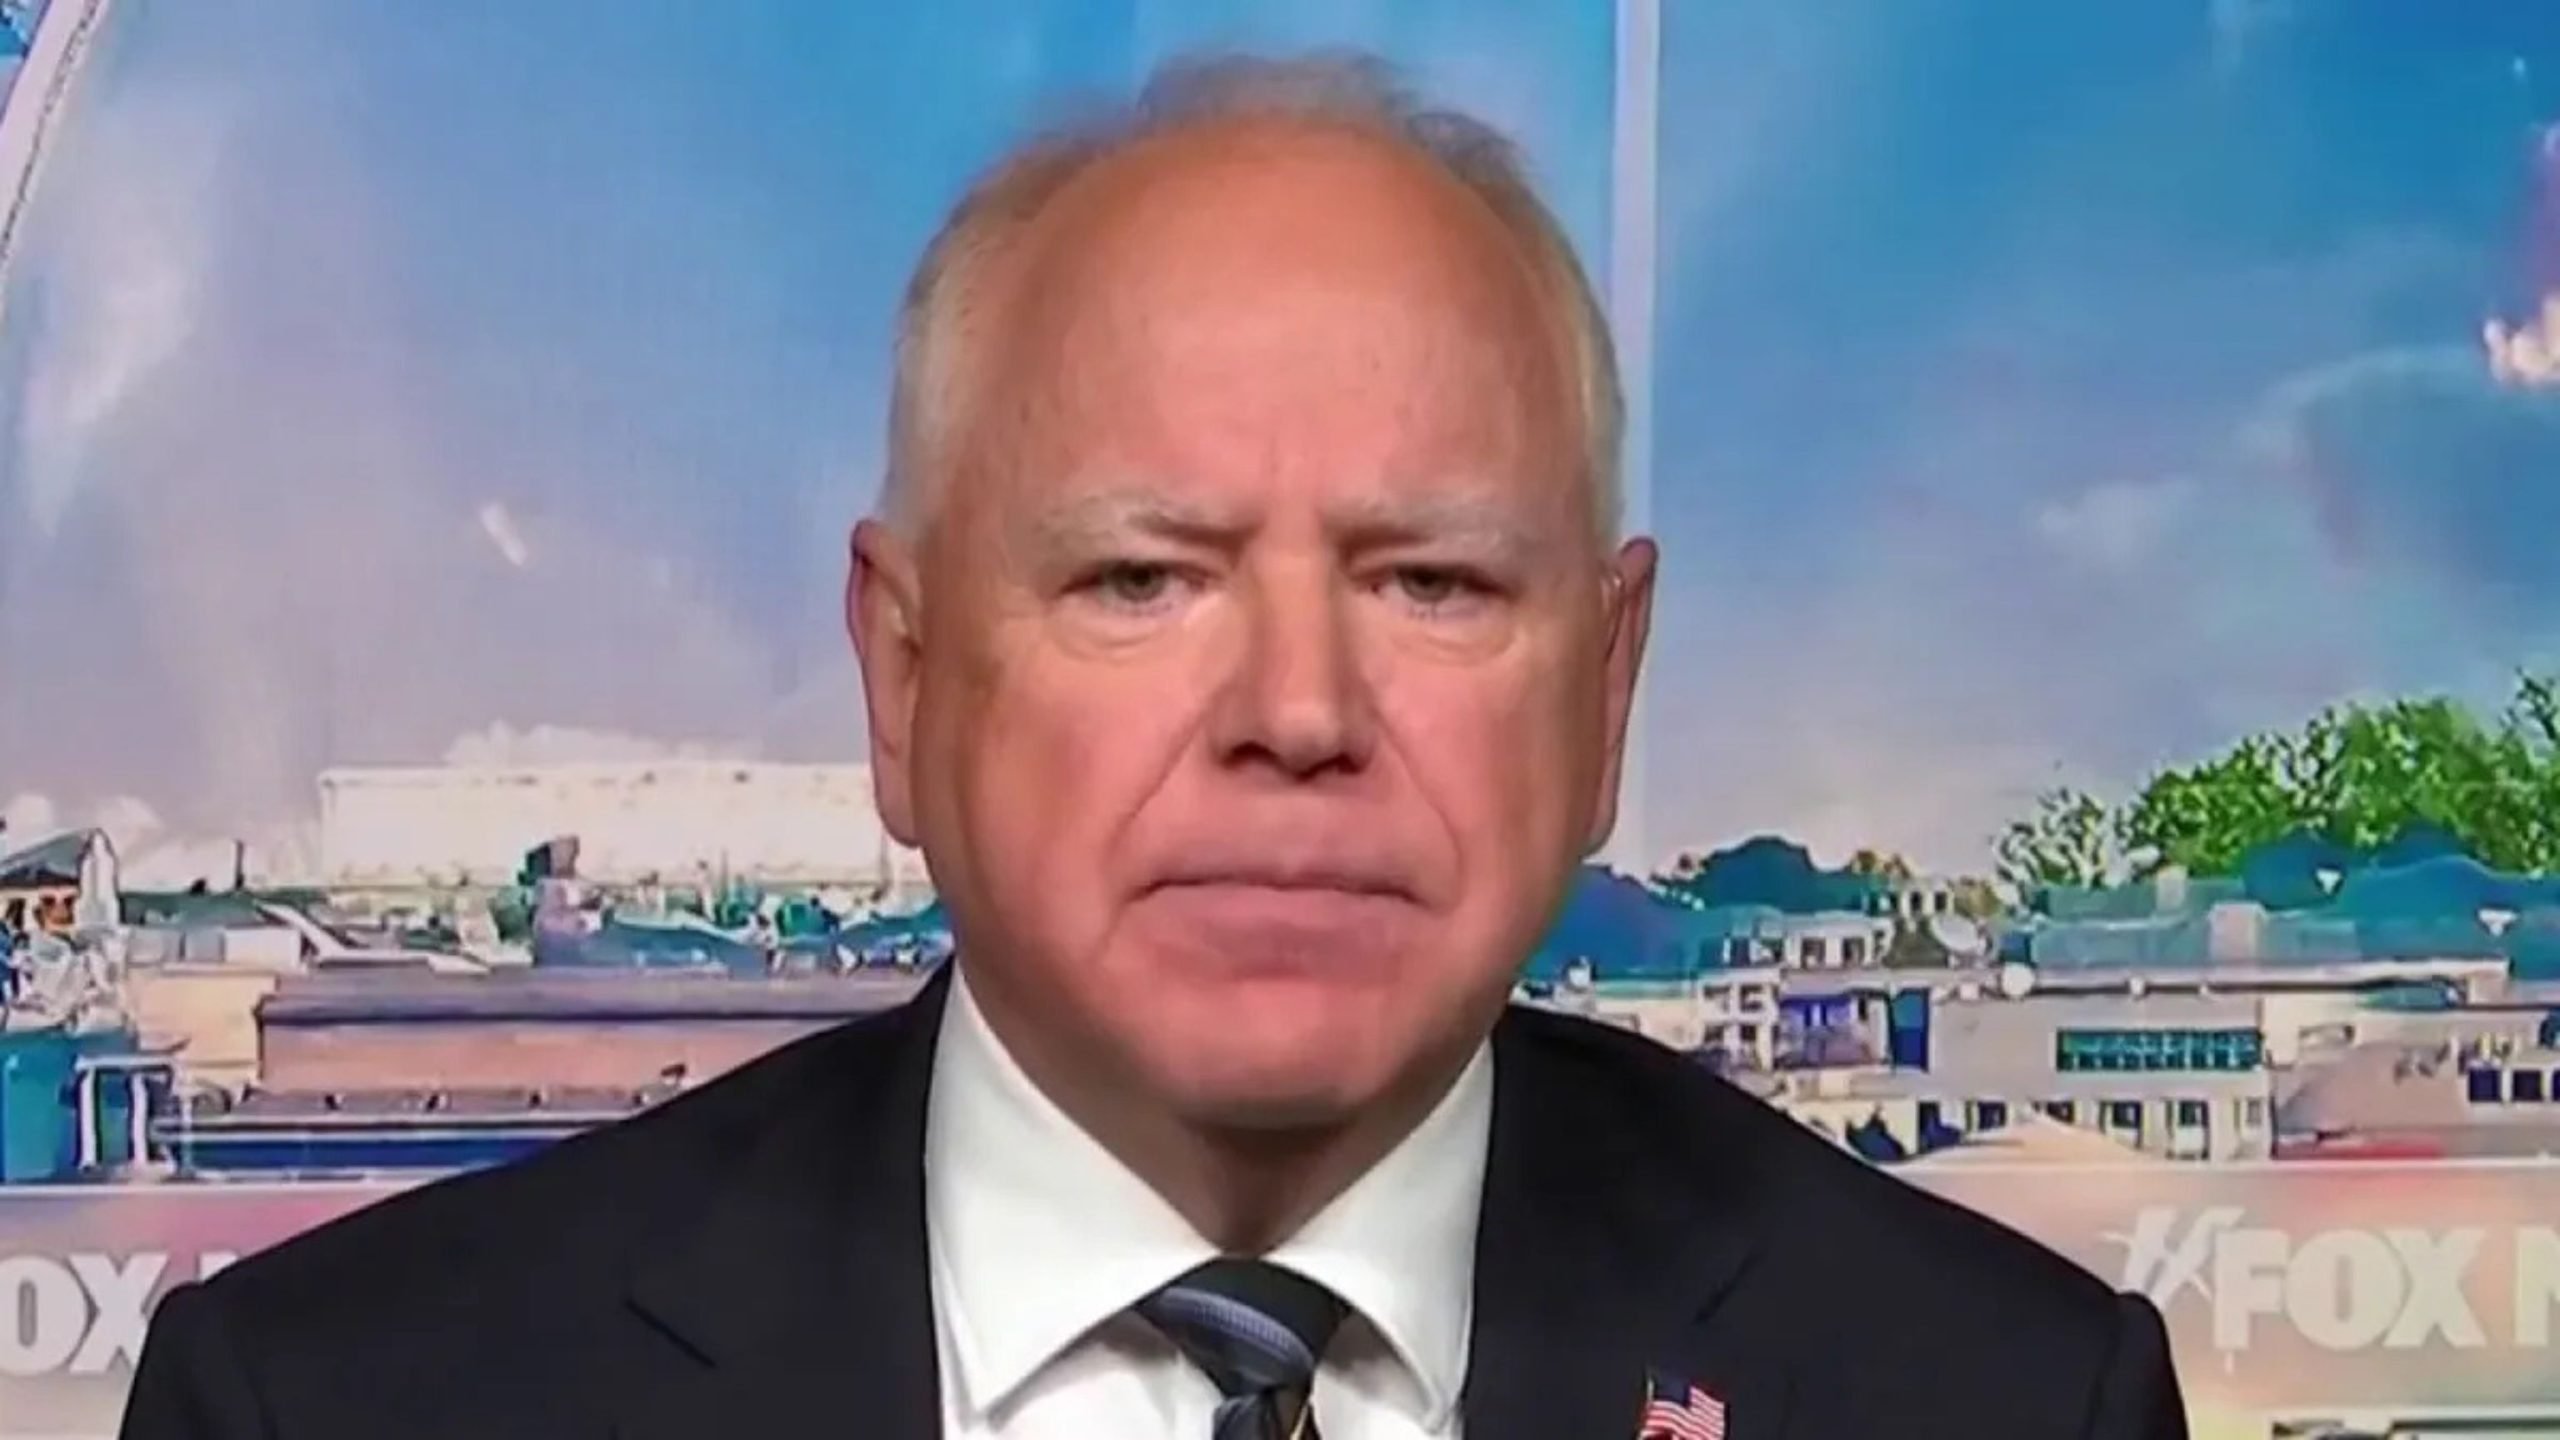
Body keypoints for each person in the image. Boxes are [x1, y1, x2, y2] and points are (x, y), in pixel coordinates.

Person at [122, 51, 2188, 1440]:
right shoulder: (337, 1403)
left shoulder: (1996, 1396)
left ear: (1608, 683)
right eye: (1139, 580)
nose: (1296, 716)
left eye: (1432, 585)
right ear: (904, 677)